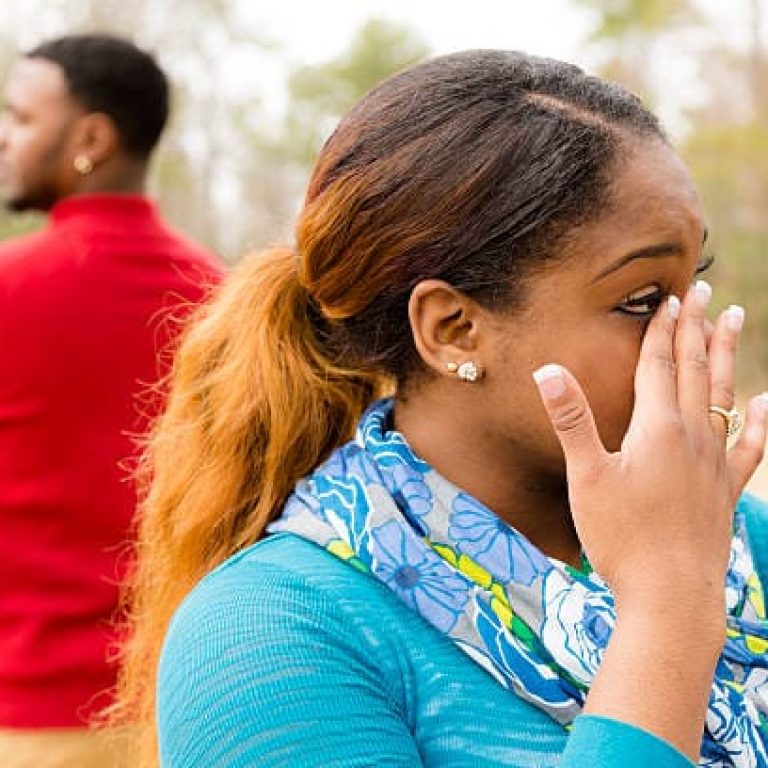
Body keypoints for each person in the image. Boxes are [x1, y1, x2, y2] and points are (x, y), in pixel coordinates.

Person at [117, 50, 768, 767]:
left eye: (693, 287)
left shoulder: (737, 538)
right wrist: (668, 607)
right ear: (452, 329)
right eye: (641, 301)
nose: (688, 338)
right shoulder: (270, 632)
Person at [0, 33, 224, 767]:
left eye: (21, 117)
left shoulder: (10, 289)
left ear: (90, 137)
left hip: (30, 718)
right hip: (184, 712)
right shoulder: (221, 299)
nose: (5, 136)